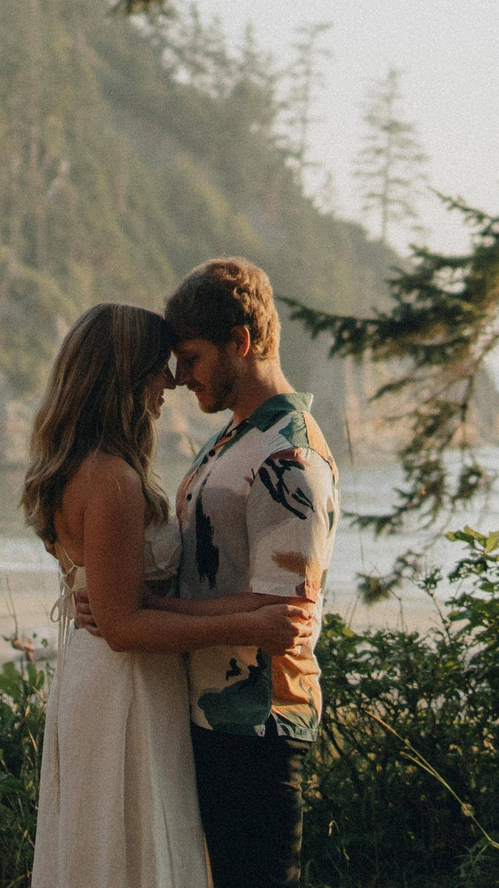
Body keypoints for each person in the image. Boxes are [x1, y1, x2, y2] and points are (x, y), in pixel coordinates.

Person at [25, 302, 317, 888]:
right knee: (131, 857)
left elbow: (132, 607)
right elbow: (127, 625)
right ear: (126, 373)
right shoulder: (111, 478)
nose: (172, 380)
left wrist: (257, 609)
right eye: (161, 366)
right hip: (124, 683)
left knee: (119, 852)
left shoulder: (90, 466)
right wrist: (248, 626)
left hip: (113, 676)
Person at [161, 258, 342, 888]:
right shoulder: (237, 438)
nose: (180, 377)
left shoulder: (288, 457)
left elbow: (283, 621)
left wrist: (144, 617)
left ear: (241, 342)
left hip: (257, 726)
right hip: (214, 716)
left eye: (191, 358)